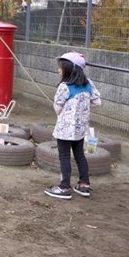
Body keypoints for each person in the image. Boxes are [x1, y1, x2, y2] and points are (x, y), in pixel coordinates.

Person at [44, 52, 102, 200]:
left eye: (61, 67)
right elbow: (97, 102)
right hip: (81, 128)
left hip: (65, 129)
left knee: (64, 156)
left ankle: (64, 187)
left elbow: (57, 108)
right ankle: (84, 185)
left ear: (69, 69)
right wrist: (82, 107)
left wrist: (67, 109)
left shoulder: (64, 86)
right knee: (79, 155)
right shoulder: (88, 83)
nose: (59, 70)